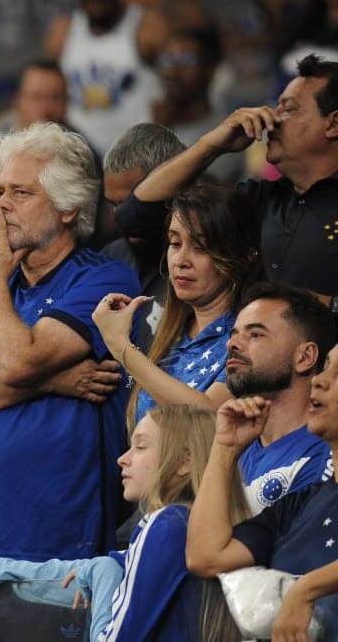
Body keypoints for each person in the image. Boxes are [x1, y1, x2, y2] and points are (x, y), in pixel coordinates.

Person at [0, 121, 140, 580]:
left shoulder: (103, 280)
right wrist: (55, 382)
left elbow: (17, 360)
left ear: (68, 208)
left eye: (20, 193)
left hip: (56, 543)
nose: (1, 204)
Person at [0, 403, 246, 642]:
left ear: (185, 462)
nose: (123, 459)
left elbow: (110, 611)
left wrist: (104, 572)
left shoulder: (166, 524)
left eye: (141, 447)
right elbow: (82, 575)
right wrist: (6, 572)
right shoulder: (188, 526)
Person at [130, 53, 338, 301]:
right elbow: (136, 215)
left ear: (333, 124)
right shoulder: (255, 199)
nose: (272, 119)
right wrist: (211, 144)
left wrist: (318, 307)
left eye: (289, 109)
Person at [185, 364, 338, 641]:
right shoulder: (302, 503)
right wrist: (225, 449)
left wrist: (307, 589)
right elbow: (205, 557)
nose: (319, 380)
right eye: (325, 368)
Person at [93, 185, 266, 428]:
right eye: (175, 243)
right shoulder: (172, 334)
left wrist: (121, 347)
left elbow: (209, 415)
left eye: (201, 247)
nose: (181, 261)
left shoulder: (253, 339)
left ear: (244, 257)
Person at [226, 282, 336, 512]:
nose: (231, 344)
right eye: (234, 334)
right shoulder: (231, 447)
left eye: (255, 334)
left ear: (305, 357)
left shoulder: (325, 456)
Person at [45, 0, 169, 154]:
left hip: (140, 154)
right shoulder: (62, 33)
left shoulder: (147, 28)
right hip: (83, 156)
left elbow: (175, 95)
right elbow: (50, 96)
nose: (96, 4)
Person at [101, 122, 187, 349]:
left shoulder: (201, 269)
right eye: (115, 204)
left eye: (132, 204)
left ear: (173, 188)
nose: (123, 219)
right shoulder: (111, 258)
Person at [0, 61, 71, 223]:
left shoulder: (81, 152)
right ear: (18, 101)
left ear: (67, 103)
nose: (46, 107)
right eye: (37, 98)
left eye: (55, 98)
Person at [149, 27, 243, 184]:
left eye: (187, 61)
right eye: (167, 60)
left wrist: (158, 134)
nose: (173, 72)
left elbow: (192, 194)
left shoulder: (226, 135)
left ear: (211, 70)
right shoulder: (149, 120)